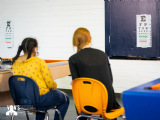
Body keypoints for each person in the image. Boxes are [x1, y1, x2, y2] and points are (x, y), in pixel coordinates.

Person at [12, 37, 69, 120]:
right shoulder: (39, 62)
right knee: (65, 98)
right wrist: (55, 87)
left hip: (21, 99)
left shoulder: (14, 61)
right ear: (35, 49)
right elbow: (50, 84)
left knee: (40, 105)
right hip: (40, 98)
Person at [69, 28, 120, 120]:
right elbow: (110, 79)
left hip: (88, 104)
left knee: (80, 99)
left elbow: (77, 86)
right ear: (90, 39)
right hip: (108, 101)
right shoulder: (103, 54)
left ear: (75, 41)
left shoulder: (73, 59)